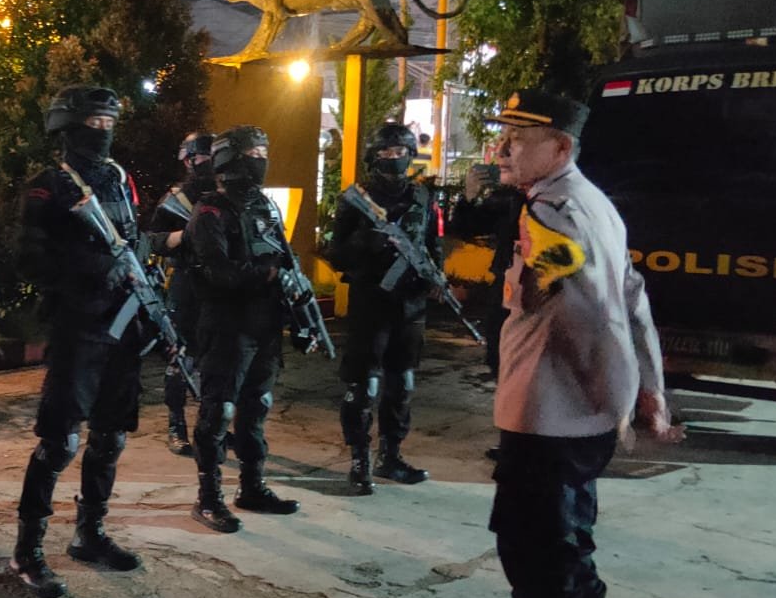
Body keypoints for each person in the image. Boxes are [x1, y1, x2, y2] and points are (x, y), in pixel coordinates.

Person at [466, 90, 682, 598]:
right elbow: (632, 296)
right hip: (575, 414)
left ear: (559, 147)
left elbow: (589, 313)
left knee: (537, 557)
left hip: (550, 415)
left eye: (518, 138)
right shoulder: (594, 202)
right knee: (567, 548)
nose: (501, 148)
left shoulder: (551, 213)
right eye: (503, 134)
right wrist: (648, 389)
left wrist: (612, 397)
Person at [10, 85, 145, 598]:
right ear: (67, 127)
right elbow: (29, 258)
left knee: (111, 437)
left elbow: (134, 238)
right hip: (78, 327)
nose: (103, 132)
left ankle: (90, 533)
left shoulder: (119, 180)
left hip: (122, 325)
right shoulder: (47, 187)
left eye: (109, 123)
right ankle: (27, 550)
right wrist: (93, 268)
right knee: (60, 442)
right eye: (93, 123)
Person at [184, 126, 300, 532]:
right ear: (230, 159)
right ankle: (208, 498)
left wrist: (293, 289)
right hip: (227, 327)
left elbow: (284, 257)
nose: (260, 160)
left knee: (257, 406)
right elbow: (217, 271)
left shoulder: (265, 207)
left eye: (264, 152)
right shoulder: (210, 211)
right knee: (219, 411)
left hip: (264, 324)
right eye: (253, 153)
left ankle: (252, 486)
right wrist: (265, 275)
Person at [326, 122, 441, 495]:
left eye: (400, 152)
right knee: (365, 384)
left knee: (402, 382)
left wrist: (434, 277)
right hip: (371, 301)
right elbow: (335, 255)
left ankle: (391, 455)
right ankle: (360, 459)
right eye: (386, 153)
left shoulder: (422, 198)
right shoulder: (355, 200)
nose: (394, 159)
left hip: (409, 304)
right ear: (373, 157)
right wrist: (365, 242)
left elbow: (432, 244)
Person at [146, 132, 216, 455]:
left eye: (211, 156)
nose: (207, 162)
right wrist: (183, 236)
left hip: (218, 284)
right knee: (181, 358)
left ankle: (211, 426)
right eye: (201, 157)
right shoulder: (177, 200)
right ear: (188, 161)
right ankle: (176, 425)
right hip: (186, 283)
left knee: (214, 359)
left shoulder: (223, 195)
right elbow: (153, 239)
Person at [445, 160, 525, 375]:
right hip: (506, 288)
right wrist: (469, 197)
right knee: (499, 360)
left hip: (543, 292)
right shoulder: (509, 198)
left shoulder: (558, 196)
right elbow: (467, 228)